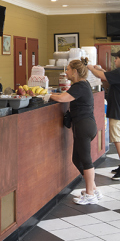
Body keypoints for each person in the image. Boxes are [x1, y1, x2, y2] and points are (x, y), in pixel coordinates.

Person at [50, 58, 100, 204]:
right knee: (77, 160)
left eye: (68, 69)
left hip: (83, 127)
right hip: (86, 125)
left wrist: (47, 95)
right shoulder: (82, 84)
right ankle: (93, 189)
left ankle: (90, 195)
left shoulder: (80, 86)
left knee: (86, 160)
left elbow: (63, 98)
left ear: (75, 71)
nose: (66, 72)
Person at [87, 49, 120, 179]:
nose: (114, 60)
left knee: (118, 140)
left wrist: (90, 68)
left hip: (119, 112)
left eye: (116, 58)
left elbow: (101, 76)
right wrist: (101, 69)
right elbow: (107, 75)